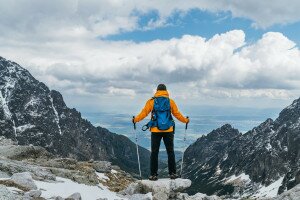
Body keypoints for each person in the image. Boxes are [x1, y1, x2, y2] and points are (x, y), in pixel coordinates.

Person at [133, 84, 189, 181]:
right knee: (170, 152)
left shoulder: (151, 101)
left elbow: (144, 112)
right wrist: (185, 120)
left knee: (154, 153)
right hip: (169, 130)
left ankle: (153, 175)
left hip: (155, 130)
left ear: (157, 91)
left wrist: (135, 120)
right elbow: (177, 114)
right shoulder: (170, 102)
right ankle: (172, 173)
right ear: (166, 91)